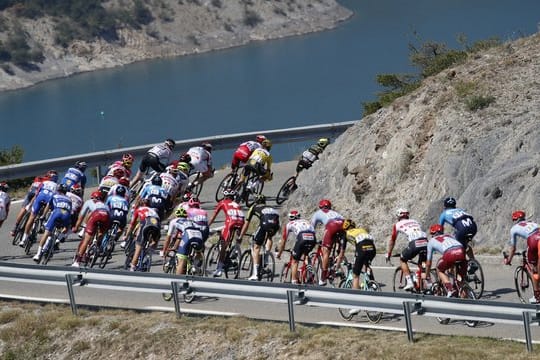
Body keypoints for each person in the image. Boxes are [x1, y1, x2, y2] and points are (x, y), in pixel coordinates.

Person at [385, 208, 428, 291]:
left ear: (398, 216)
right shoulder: (415, 221)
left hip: (415, 243)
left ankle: (409, 282)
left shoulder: (397, 225)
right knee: (422, 265)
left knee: (402, 259)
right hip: (426, 242)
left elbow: (392, 241)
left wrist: (389, 253)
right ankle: (424, 283)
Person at [239, 194, 280, 280]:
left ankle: (256, 274)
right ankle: (266, 256)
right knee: (269, 237)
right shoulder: (271, 207)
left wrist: (241, 236)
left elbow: (246, 224)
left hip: (265, 224)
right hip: (275, 224)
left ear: (255, 201)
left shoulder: (254, 207)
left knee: (256, 247)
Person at [504, 210, 540, 303]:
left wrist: (509, 260)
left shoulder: (514, 229)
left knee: (534, 271)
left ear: (515, 220)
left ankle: (537, 296)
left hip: (533, 240)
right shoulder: (532, 223)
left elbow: (513, 248)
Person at [207, 188, 245, 277]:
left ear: (224, 196)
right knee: (237, 237)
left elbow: (213, 217)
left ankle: (219, 269)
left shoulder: (222, 202)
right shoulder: (236, 204)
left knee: (223, 245)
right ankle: (236, 249)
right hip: (241, 221)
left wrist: (207, 226)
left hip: (231, 221)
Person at [343, 219, 376, 316]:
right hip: (372, 248)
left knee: (355, 275)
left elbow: (341, 252)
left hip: (361, 248)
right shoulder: (361, 230)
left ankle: (356, 305)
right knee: (366, 265)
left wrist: (338, 262)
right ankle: (372, 284)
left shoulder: (346, 234)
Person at [310, 199, 346, 286]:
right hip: (343, 225)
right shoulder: (335, 213)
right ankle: (337, 261)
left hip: (331, 226)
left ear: (320, 207)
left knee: (325, 251)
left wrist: (312, 238)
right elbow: (344, 221)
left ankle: (322, 278)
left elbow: (311, 228)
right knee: (339, 247)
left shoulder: (318, 213)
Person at [33, 184, 72, 262]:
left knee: (46, 233)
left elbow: (48, 206)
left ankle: (38, 254)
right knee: (67, 227)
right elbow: (70, 211)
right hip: (66, 215)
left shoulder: (55, 195)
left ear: (58, 190)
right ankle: (60, 238)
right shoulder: (69, 200)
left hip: (57, 212)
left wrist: (43, 216)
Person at [424, 224, 467, 297]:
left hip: (449, 253)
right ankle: (466, 298)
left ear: (433, 234)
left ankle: (450, 289)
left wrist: (427, 275)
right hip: (461, 250)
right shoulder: (449, 236)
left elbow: (428, 263)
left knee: (439, 269)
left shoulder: (431, 241)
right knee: (460, 282)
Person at [19, 171, 59, 248]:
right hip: (48, 200)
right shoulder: (57, 186)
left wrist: (30, 205)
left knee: (32, 217)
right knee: (49, 209)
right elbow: (56, 198)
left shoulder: (44, 182)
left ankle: (23, 239)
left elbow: (36, 194)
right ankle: (43, 220)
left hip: (40, 197)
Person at [276, 210, 317, 284]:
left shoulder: (289, 224)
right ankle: (309, 272)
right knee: (306, 254)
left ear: (290, 218)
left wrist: (279, 253)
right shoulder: (306, 221)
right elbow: (313, 231)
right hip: (312, 237)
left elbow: (283, 241)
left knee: (294, 261)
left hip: (302, 237)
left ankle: (294, 282)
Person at [72, 193, 110, 267]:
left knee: (86, 240)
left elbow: (81, 216)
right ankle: (98, 246)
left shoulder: (89, 202)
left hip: (96, 216)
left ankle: (77, 261)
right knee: (101, 234)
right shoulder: (105, 204)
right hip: (106, 216)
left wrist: (76, 227)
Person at [11, 171, 54, 236]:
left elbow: (31, 187)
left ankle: (15, 227)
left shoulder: (38, 177)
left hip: (30, 193)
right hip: (37, 195)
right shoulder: (49, 181)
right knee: (35, 213)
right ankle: (32, 230)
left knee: (23, 209)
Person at [123, 198, 161, 271]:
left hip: (146, 224)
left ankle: (132, 268)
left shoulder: (139, 209)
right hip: (156, 224)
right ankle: (150, 252)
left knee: (138, 249)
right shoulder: (153, 210)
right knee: (154, 241)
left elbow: (132, 224)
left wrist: (126, 236)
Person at [171, 209, 205, 275]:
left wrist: (166, 249)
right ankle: (195, 266)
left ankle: (178, 281)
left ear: (176, 216)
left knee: (181, 260)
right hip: (199, 235)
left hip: (188, 235)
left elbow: (176, 237)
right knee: (198, 251)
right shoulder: (191, 221)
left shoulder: (175, 221)